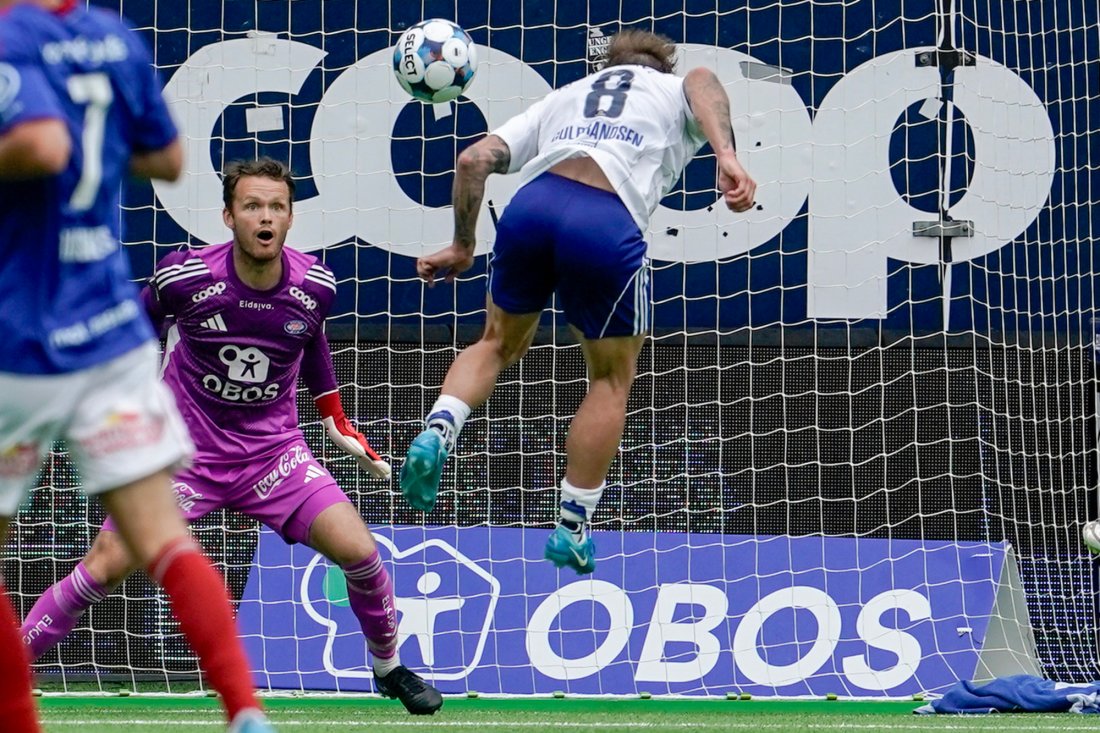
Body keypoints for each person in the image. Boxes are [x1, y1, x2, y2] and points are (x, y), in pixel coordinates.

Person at [19, 157, 444, 716]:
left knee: (361, 553)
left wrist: (336, 420)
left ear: (290, 218)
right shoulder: (186, 278)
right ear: (229, 216)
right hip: (184, 455)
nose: (264, 217)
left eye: (275, 207)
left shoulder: (316, 285)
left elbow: (310, 344)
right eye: (252, 206)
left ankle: (387, 668)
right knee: (104, 566)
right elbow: (131, 334)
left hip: (274, 456)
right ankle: (12, 669)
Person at [0, 3, 270, 732]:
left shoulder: (9, 37)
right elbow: (170, 159)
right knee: (162, 537)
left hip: (21, 338)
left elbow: (42, 144)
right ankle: (245, 711)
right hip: (112, 334)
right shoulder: (111, 36)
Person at [399, 29, 756, 575]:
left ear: (607, 64)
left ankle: (439, 428)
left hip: (532, 208)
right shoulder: (672, 87)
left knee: (495, 342)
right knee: (611, 378)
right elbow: (705, 81)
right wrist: (726, 154)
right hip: (605, 221)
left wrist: (463, 245)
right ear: (661, 66)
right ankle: (572, 526)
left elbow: (474, 160)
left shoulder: (566, 95)